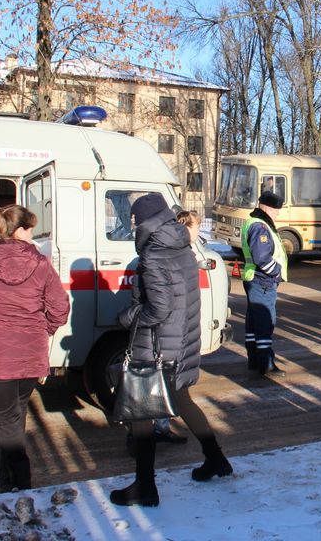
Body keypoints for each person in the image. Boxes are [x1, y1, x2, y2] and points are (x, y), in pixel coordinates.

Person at [111, 193, 232, 507]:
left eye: (135, 219)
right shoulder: (180, 247)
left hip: (156, 344)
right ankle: (216, 459)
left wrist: (129, 317)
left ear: (146, 221)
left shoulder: (153, 254)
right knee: (182, 400)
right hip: (180, 341)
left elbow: (159, 308)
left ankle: (145, 486)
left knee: (140, 411)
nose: (132, 223)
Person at [0, 205, 70, 493]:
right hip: (30, 354)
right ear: (19, 231)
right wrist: (44, 330)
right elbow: (60, 308)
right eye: (30, 228)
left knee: (7, 421)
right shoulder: (42, 265)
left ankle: (20, 484)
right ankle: (8, 483)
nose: (33, 234)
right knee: (15, 417)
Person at [241, 191, 288, 378]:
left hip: (255, 279)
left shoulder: (254, 222)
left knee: (253, 324)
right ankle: (266, 363)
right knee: (265, 323)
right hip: (263, 281)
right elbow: (262, 257)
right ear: (268, 208)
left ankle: (254, 360)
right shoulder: (260, 227)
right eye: (277, 210)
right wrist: (276, 271)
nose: (278, 214)